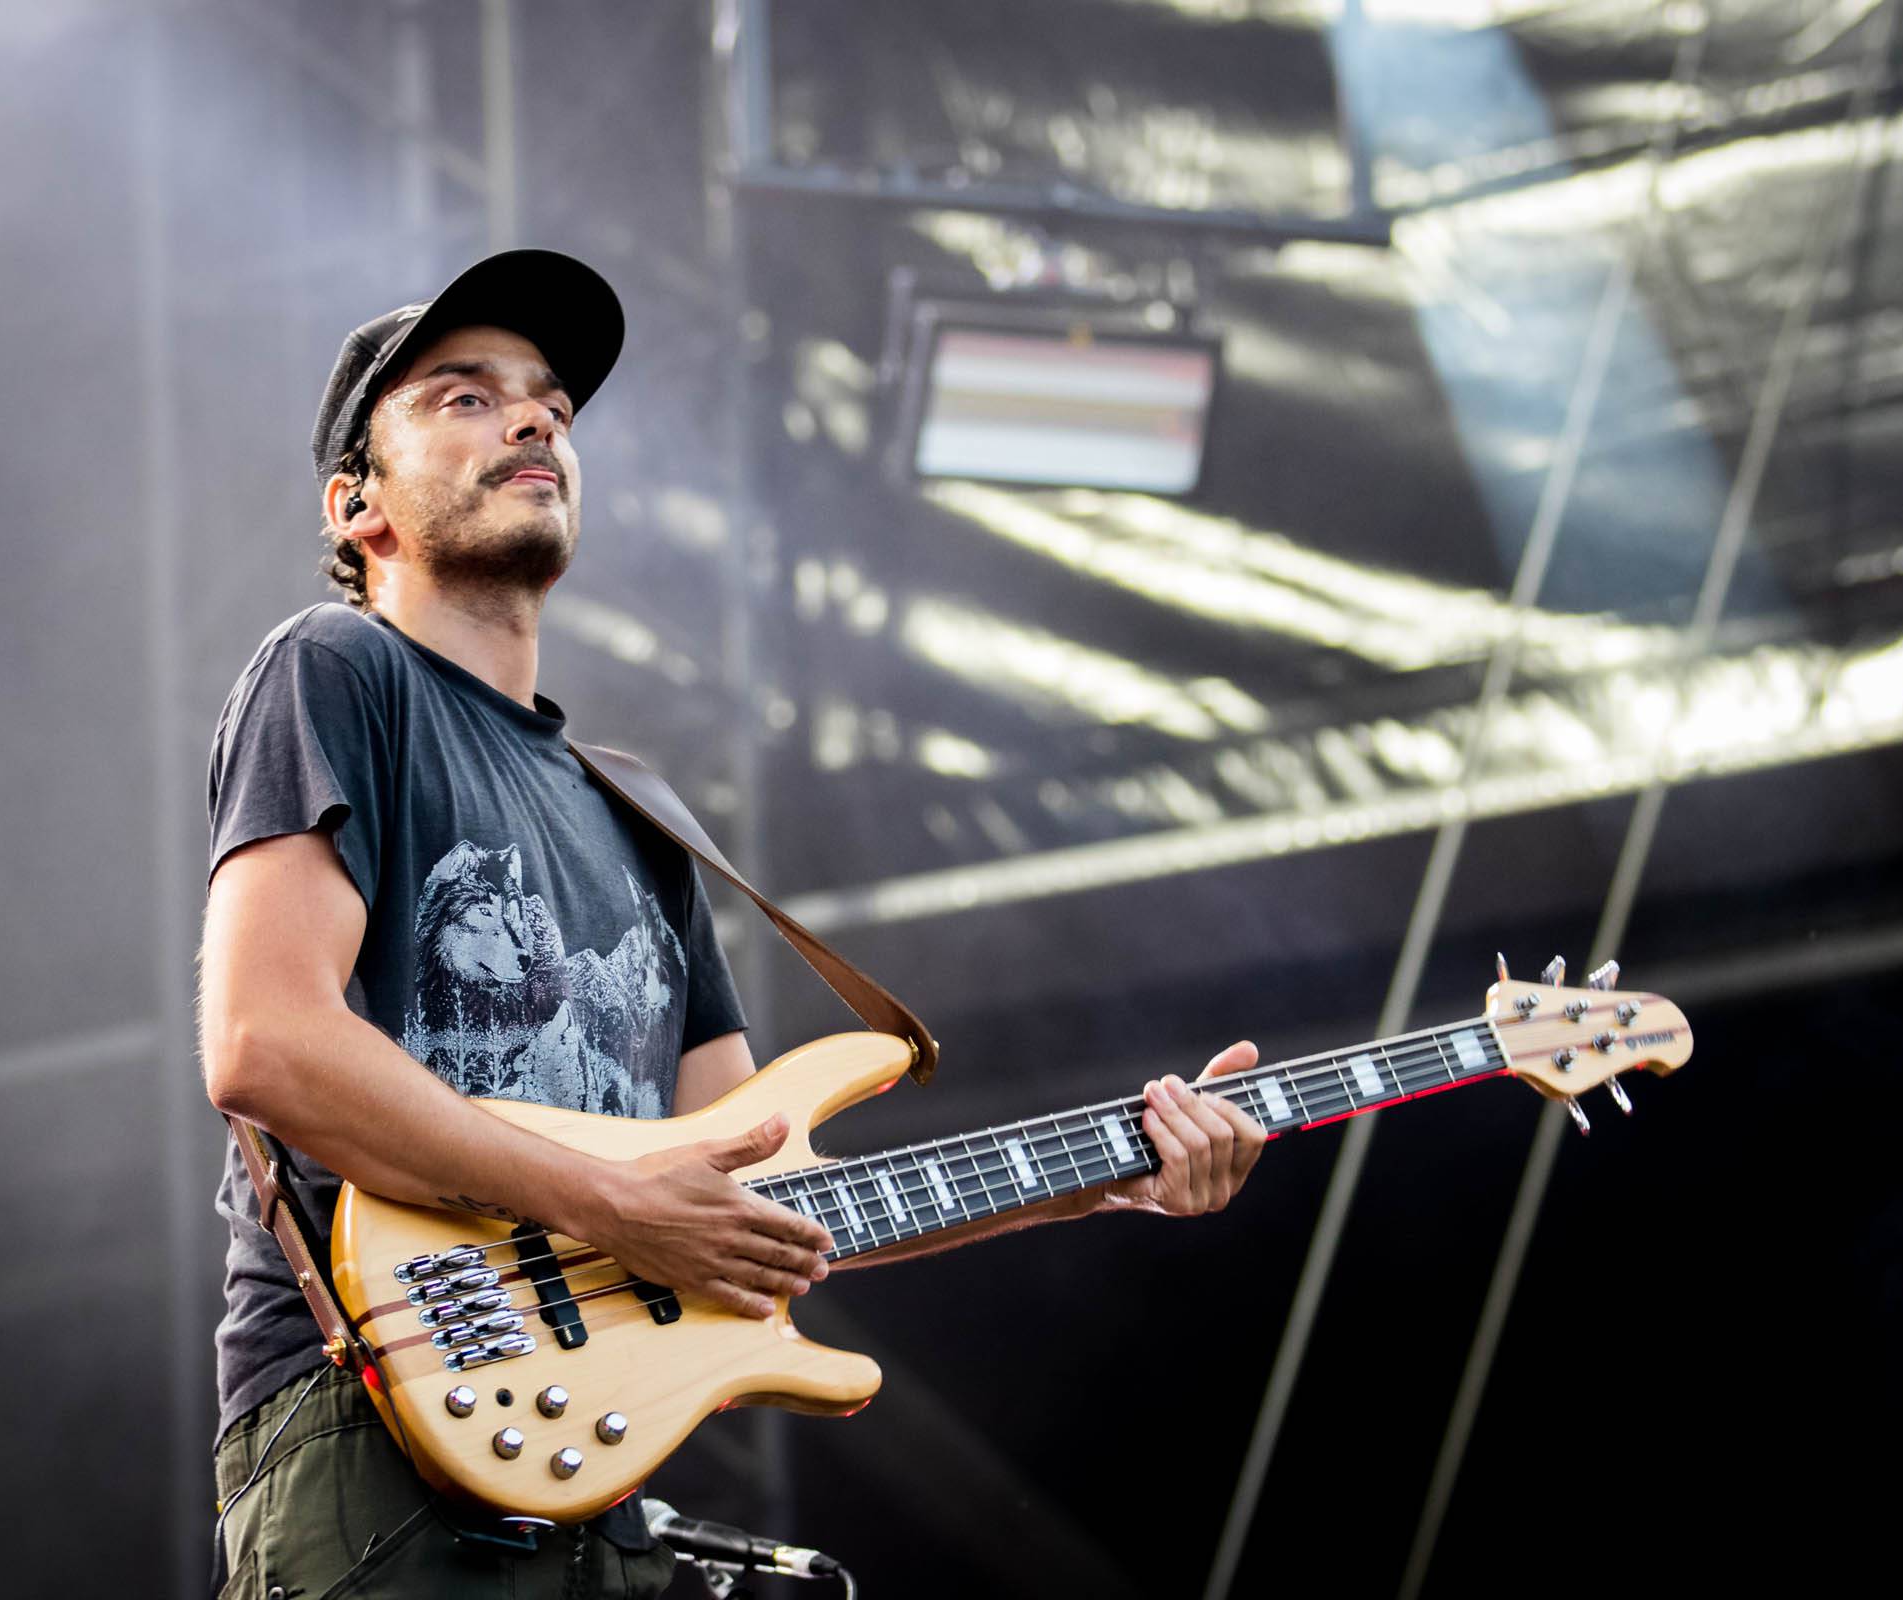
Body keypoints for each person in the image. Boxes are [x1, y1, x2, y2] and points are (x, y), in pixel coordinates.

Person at [199, 249, 1268, 1600]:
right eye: (464, 397)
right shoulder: (335, 668)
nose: (532, 421)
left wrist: (1105, 1172)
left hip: (589, 1479)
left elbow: (758, 1206)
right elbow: (263, 1046)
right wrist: (607, 1200)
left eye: (552, 408)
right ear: (359, 507)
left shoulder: (638, 816)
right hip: (375, 1437)